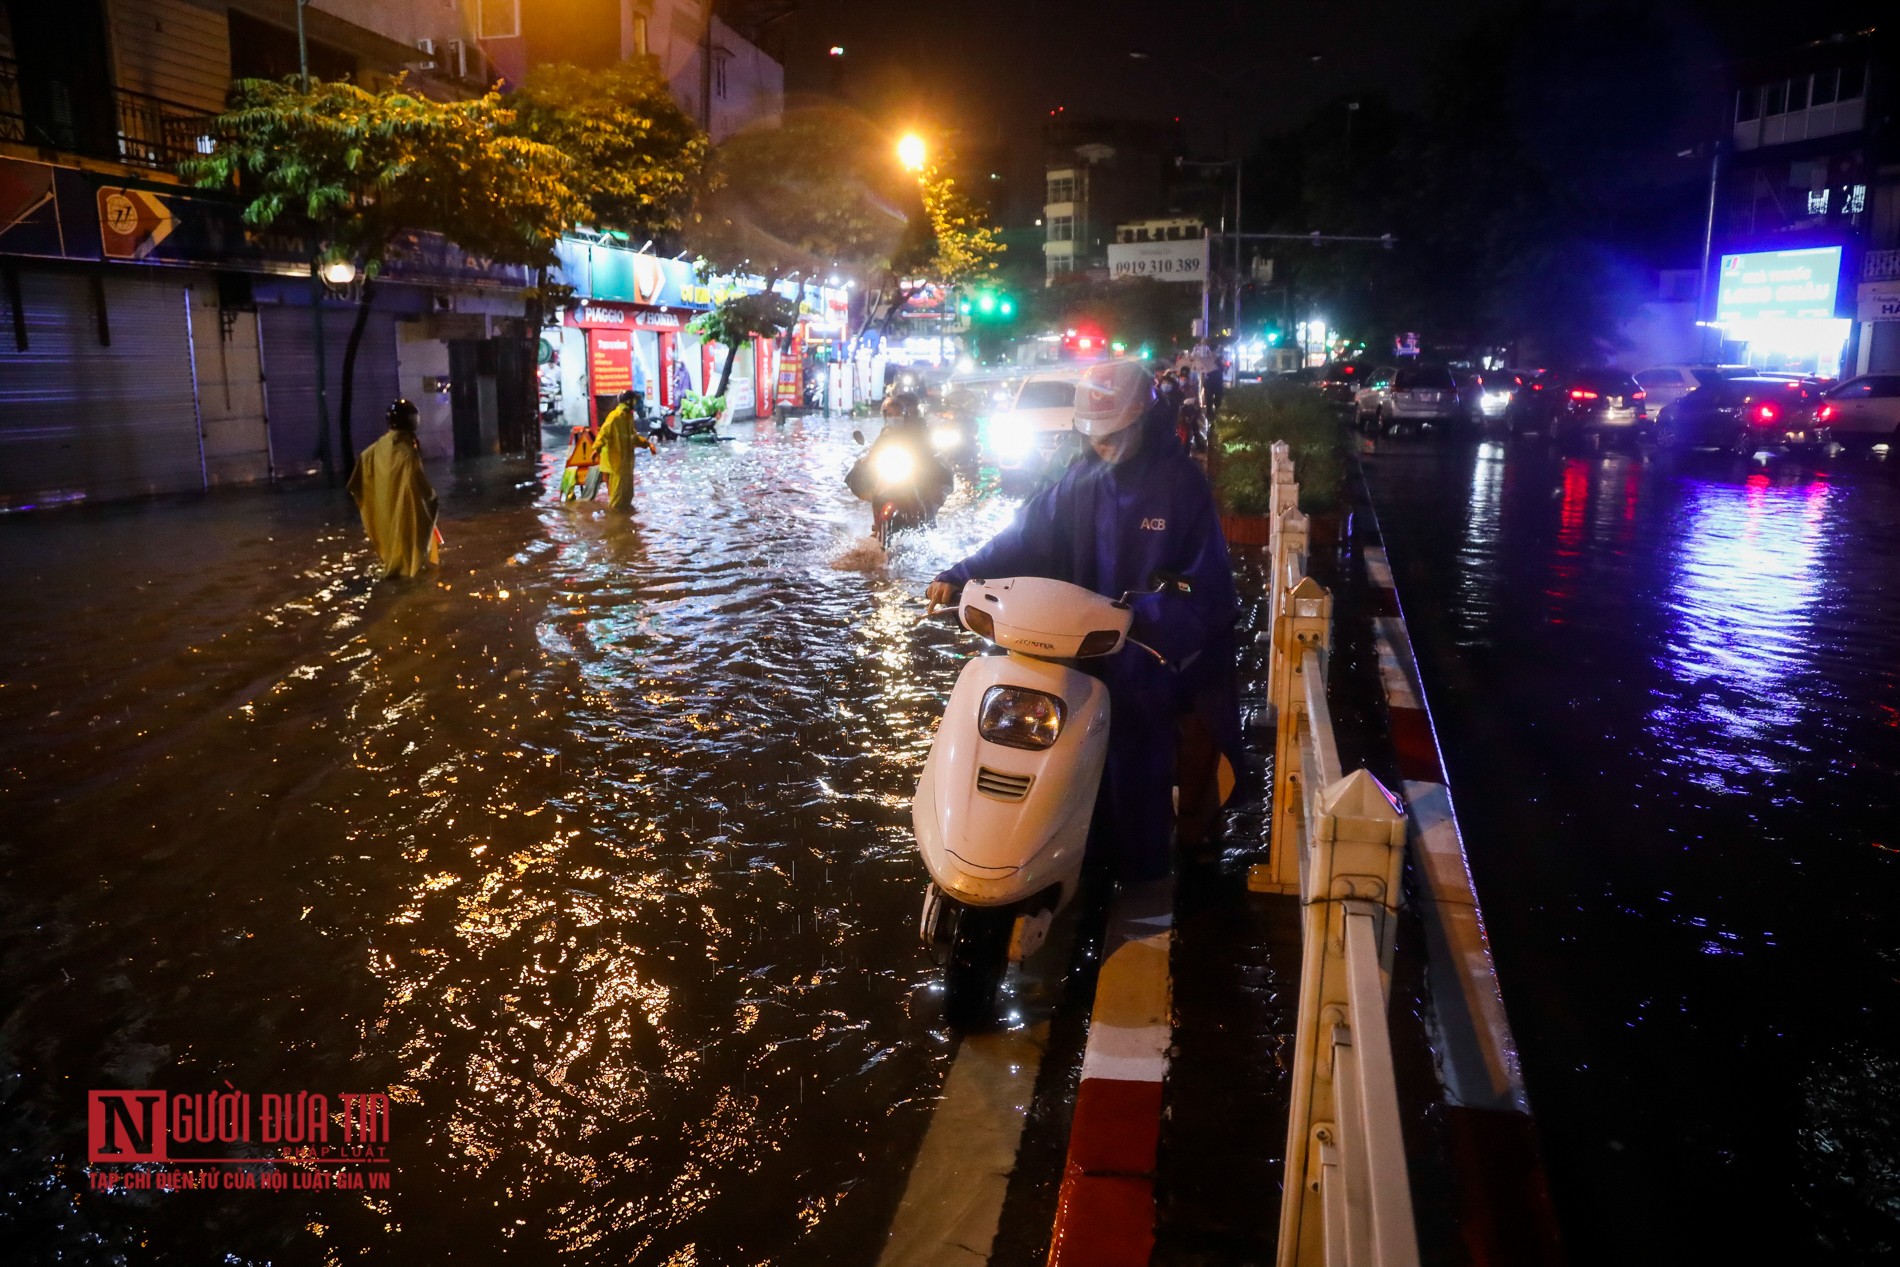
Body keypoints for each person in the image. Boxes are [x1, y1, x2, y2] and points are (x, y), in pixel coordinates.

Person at [925, 360, 1240, 881]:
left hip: (1150, 650)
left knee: (1148, 753)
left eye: (1115, 435)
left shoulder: (1181, 485)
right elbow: (1025, 536)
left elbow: (1208, 586)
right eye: (1095, 436)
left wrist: (1148, 617)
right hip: (1081, 641)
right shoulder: (1081, 479)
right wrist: (963, 572)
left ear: (1144, 420)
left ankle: (1156, 858)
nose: (1104, 445)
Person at [347, 399, 439, 579]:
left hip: (384, 517)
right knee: (411, 567)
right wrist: (431, 506)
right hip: (405, 516)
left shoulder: (372, 451)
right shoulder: (407, 453)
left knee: (392, 559)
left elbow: (356, 486)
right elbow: (426, 494)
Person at [595, 389, 658, 510]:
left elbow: (632, 438)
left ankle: (624, 522)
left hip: (626, 463)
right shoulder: (615, 417)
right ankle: (614, 523)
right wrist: (596, 449)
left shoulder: (628, 417)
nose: (636, 403)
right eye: (634, 400)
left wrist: (648, 444)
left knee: (627, 496)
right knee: (617, 498)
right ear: (629, 401)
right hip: (615, 463)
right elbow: (603, 434)